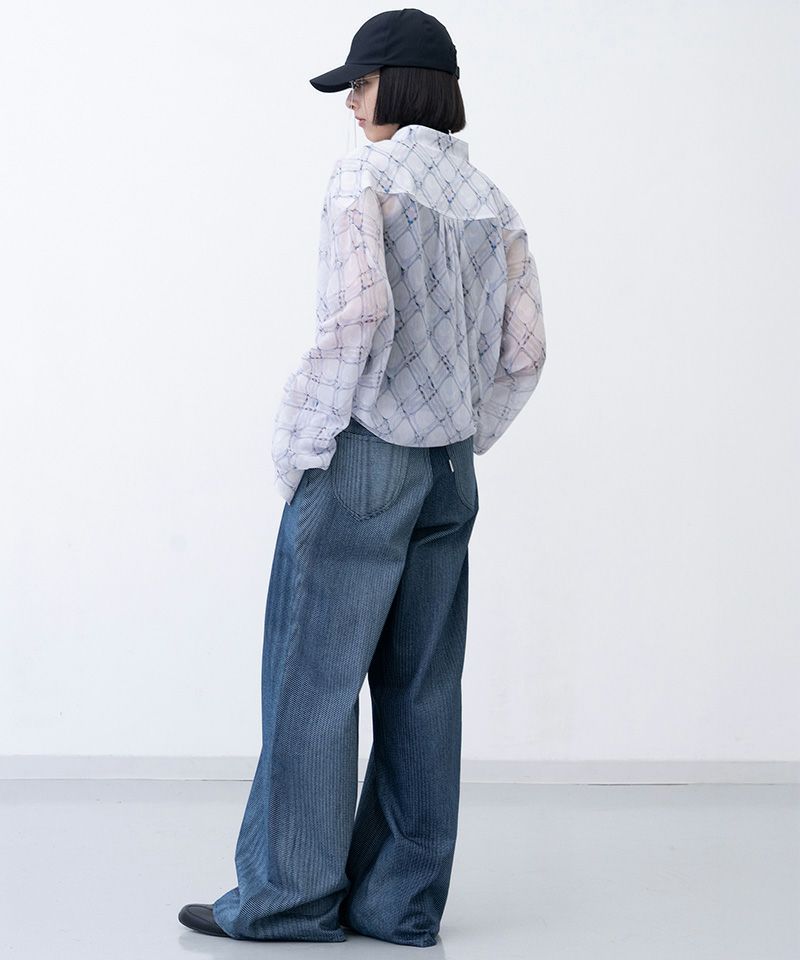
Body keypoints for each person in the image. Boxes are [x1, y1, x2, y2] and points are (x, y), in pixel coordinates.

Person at [179, 7, 546, 948]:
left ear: (402, 85)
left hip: (365, 456)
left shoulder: (365, 177)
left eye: (362, 83)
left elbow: (357, 318)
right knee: (424, 689)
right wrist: (467, 431)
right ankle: (399, 905)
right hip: (449, 472)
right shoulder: (494, 202)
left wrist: (302, 438)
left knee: (313, 680)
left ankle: (289, 900)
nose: (350, 103)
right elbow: (526, 352)